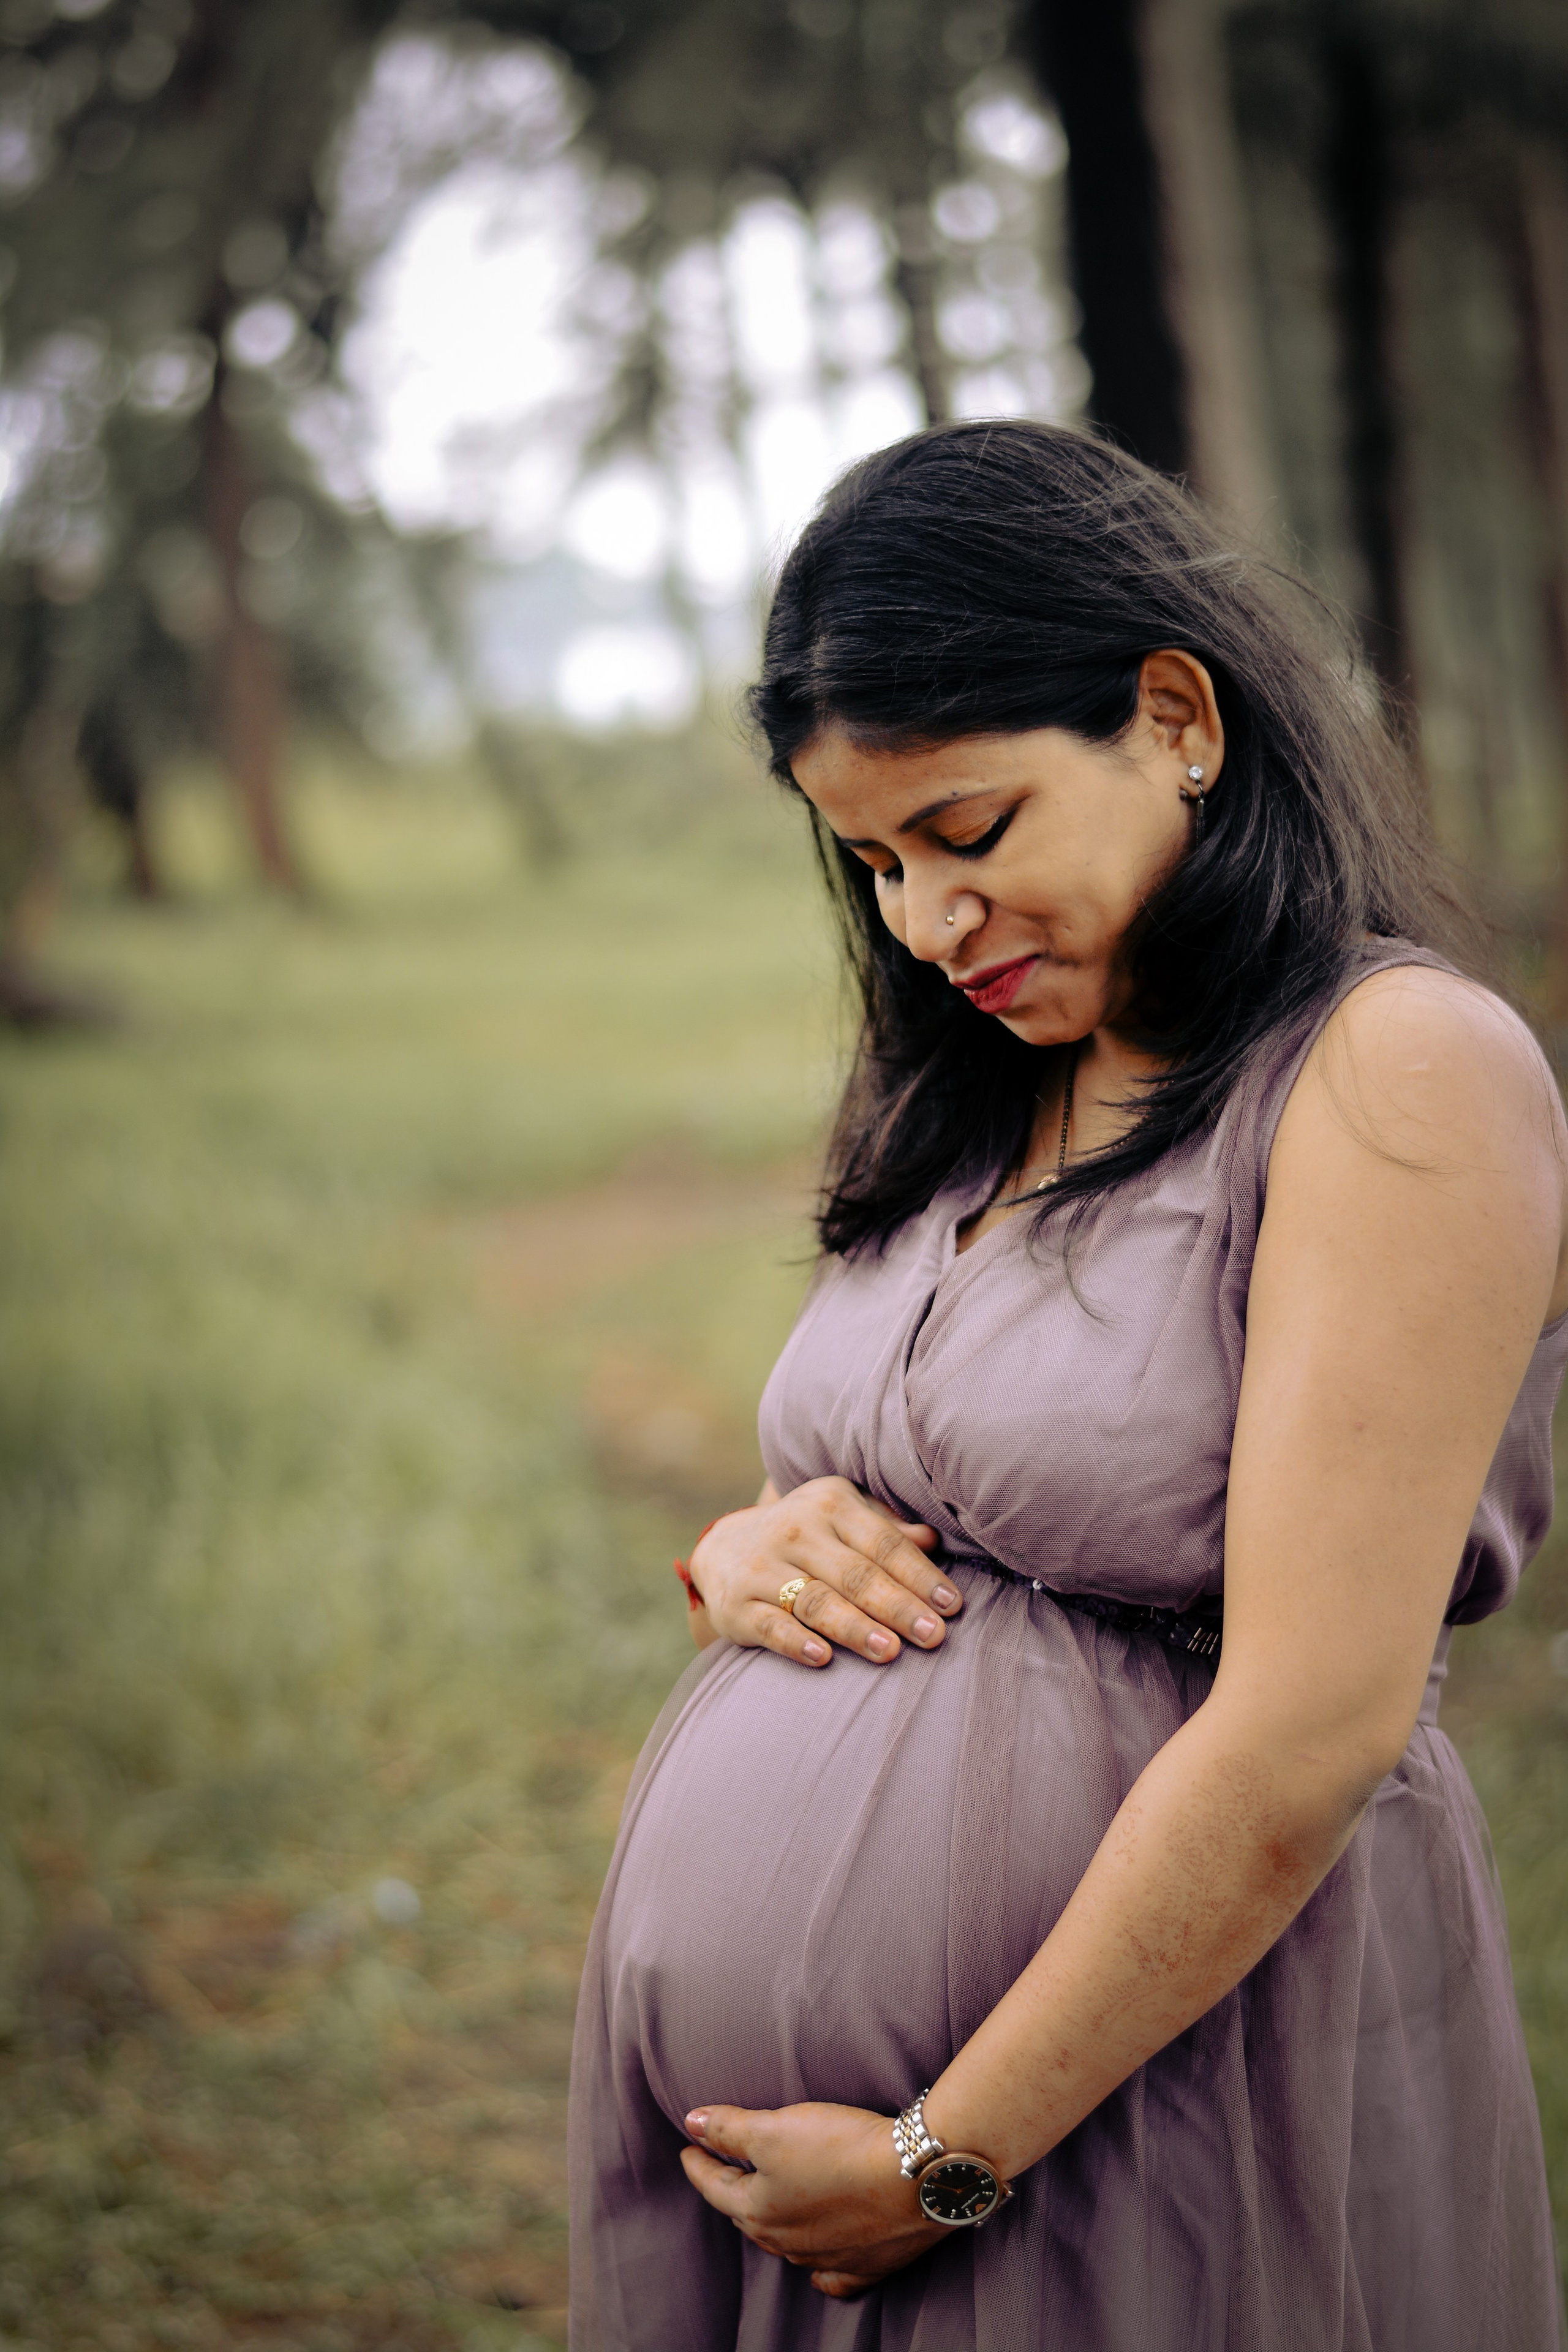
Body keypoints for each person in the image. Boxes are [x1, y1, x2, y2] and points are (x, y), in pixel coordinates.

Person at [567, 421, 1568, 2351]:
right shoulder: (981, 1074)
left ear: (1175, 717)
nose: (928, 923)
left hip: (1161, 2106)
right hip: (813, 2175)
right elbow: (908, 1473)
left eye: (971, 832)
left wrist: (951, 2150)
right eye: (871, 862)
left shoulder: (1394, 1073)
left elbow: (1310, 1730)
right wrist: (743, 1556)